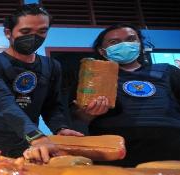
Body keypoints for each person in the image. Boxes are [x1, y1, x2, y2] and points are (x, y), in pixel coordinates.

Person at [0, 4, 83, 164]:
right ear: (8, 33)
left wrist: (61, 128)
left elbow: (52, 105)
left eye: (42, 31)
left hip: (29, 145)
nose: (34, 37)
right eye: (25, 32)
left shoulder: (51, 66)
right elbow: (3, 103)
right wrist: (36, 136)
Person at [76, 23, 180, 167]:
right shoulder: (93, 77)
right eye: (114, 42)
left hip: (172, 151)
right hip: (117, 155)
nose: (124, 44)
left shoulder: (167, 71)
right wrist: (90, 114)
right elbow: (80, 117)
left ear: (139, 43)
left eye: (131, 39)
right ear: (102, 51)